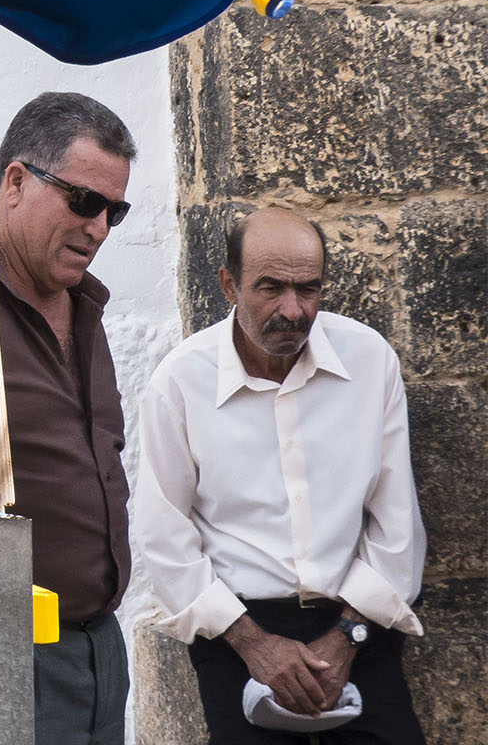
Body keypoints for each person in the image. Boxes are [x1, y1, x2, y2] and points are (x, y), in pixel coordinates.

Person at [134, 207, 426, 744]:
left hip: (358, 627)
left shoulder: (368, 361)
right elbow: (163, 537)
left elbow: (397, 524)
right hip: (237, 636)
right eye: (271, 288)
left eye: (308, 290)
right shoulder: (180, 381)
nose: (293, 310)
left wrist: (346, 638)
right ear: (229, 285)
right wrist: (254, 645)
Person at [0, 92, 137, 745]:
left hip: (99, 651)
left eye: (115, 211)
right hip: (2, 653)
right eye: (83, 201)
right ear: (16, 182)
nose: (99, 227)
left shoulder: (87, 308)